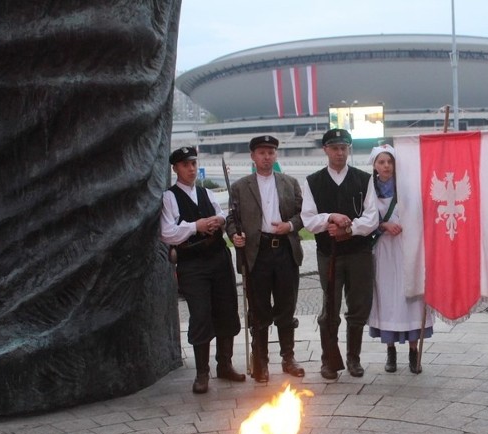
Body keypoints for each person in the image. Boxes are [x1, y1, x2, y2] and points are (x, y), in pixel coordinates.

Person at [160, 146, 245, 394]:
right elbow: (168, 232)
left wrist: (214, 222)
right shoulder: (170, 197)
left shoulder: (206, 192)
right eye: (186, 165)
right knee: (200, 314)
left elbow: (220, 216)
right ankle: (202, 373)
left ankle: (225, 364)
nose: (191, 169)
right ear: (176, 168)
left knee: (226, 309)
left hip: (218, 257)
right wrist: (196, 226)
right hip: (192, 262)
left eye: (194, 164)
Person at [301, 128, 378, 380]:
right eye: (334, 148)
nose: (339, 152)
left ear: (349, 149)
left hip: (358, 253)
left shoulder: (363, 179)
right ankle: (328, 360)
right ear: (325, 150)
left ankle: (353, 358)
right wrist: (330, 218)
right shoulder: (313, 181)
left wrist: (349, 228)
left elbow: (372, 217)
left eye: (344, 147)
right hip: (328, 253)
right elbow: (309, 220)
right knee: (330, 308)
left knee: (358, 306)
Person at [227, 135, 305, 384]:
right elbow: (231, 219)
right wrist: (234, 235)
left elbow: (304, 215)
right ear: (253, 156)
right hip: (257, 253)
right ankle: (260, 360)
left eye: (271, 152)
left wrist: (290, 225)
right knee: (259, 310)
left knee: (286, 306)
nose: (266, 157)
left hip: (284, 249)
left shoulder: (290, 183)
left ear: (276, 155)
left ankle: (288, 357)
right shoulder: (240, 187)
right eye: (261, 152)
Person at [366, 145, 434, 373]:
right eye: (382, 162)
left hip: (407, 247)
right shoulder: (368, 188)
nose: (386, 166)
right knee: (387, 296)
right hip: (384, 249)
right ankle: (390, 350)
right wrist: (382, 224)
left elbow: (421, 212)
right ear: (374, 165)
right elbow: (364, 216)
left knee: (410, 295)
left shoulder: (408, 186)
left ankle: (414, 352)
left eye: (390, 162)